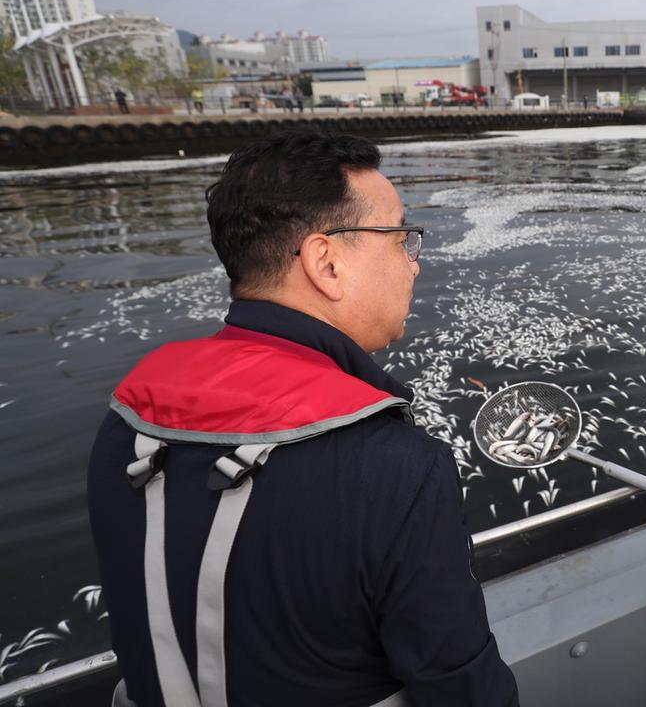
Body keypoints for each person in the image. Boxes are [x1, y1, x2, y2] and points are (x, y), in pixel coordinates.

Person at [88, 130, 519, 707]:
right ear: (326, 262)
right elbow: (462, 687)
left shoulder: (129, 423)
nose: (414, 265)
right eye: (400, 239)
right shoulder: (394, 465)